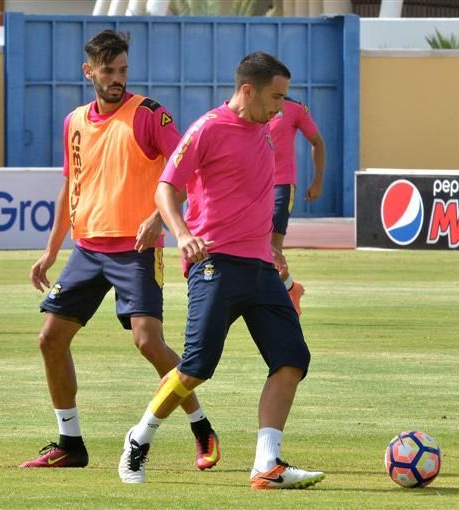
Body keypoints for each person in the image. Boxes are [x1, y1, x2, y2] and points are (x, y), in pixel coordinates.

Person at [117, 51, 325, 489]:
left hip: (260, 265)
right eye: (276, 97)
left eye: (285, 98)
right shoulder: (208, 128)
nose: (281, 108)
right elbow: (166, 188)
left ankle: (267, 465)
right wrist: (180, 232)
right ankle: (139, 437)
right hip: (215, 263)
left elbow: (250, 193)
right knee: (196, 366)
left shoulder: (265, 130)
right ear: (247, 90)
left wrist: (273, 247)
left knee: (291, 359)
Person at [20, 30, 221, 469]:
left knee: (148, 342)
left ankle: (201, 427)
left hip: (136, 249)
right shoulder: (74, 121)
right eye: (108, 71)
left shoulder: (150, 115)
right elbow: (70, 185)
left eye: (123, 70)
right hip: (87, 251)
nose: (117, 78)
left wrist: (157, 219)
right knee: (50, 339)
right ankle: (70, 443)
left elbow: (184, 172)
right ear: (88, 71)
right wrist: (51, 251)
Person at [267, 95, 326, 315]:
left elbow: (317, 142)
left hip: (281, 185)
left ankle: (280, 300)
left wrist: (317, 181)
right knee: (260, 250)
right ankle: (291, 288)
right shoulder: (249, 107)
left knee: (273, 248)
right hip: (253, 186)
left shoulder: (295, 109)